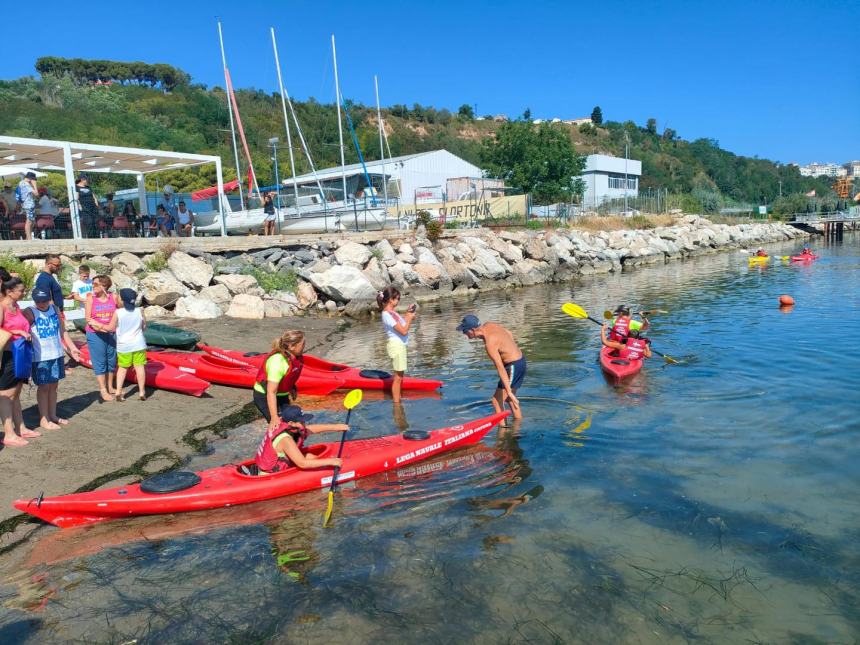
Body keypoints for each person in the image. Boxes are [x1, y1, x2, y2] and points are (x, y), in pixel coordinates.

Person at [22, 288, 80, 430]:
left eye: (44, 300)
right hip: (40, 356)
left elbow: (62, 331)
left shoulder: (54, 308)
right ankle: (44, 418)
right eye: (38, 301)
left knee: (54, 386)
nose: (41, 303)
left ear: (49, 299)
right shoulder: (30, 312)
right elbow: (22, 330)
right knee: (44, 387)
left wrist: (72, 347)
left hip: (56, 353)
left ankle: (52, 415)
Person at [456, 314, 524, 420]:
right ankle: (518, 426)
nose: (464, 334)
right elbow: (508, 333)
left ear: (472, 330)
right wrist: (511, 349)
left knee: (496, 401)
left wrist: (509, 391)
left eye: (465, 331)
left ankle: (503, 433)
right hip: (520, 361)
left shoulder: (489, 344)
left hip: (512, 366)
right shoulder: (490, 325)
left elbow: (500, 367)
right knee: (509, 399)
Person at [0, 276, 39, 446]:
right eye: (21, 291)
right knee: (5, 395)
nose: (24, 293)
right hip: (7, 355)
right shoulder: (1, 307)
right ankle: (9, 433)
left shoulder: (15, 305)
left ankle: (21, 428)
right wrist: (17, 331)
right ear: (9, 291)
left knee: (16, 393)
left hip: (20, 354)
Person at [254, 404, 347, 475]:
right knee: (310, 459)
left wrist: (336, 427)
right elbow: (302, 463)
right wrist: (332, 461)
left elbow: (311, 429)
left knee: (311, 456)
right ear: (291, 423)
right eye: (301, 421)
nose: (304, 422)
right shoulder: (286, 439)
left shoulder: (286, 425)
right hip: (271, 476)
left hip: (275, 464)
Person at [253, 330, 306, 435]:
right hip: (265, 396)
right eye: (302, 344)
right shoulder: (277, 362)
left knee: (291, 424)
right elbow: (271, 392)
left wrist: (291, 387)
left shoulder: (296, 357)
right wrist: (274, 417)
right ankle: (274, 446)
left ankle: (292, 446)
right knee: (279, 427)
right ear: (291, 346)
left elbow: (288, 375)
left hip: (281, 395)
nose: (304, 346)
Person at [376, 286, 417, 404]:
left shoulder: (392, 313)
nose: (398, 301)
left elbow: (402, 324)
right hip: (396, 346)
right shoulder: (386, 314)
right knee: (398, 378)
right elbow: (403, 331)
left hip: (400, 346)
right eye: (397, 298)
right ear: (390, 300)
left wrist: (408, 314)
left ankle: (398, 399)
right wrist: (409, 318)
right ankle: (396, 404)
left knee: (400, 377)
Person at [110, 288, 147, 401]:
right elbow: (144, 327)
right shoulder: (140, 310)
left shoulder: (118, 312)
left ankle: (118, 391)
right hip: (139, 344)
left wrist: (97, 325)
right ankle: (141, 392)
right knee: (139, 367)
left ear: (121, 299)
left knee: (122, 368)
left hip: (124, 345)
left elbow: (111, 328)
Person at [84, 275, 117, 402]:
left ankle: (110, 386)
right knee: (100, 362)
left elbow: (119, 312)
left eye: (95, 284)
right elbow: (88, 319)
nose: (92, 286)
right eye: (92, 284)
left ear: (104, 286)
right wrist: (101, 327)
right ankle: (103, 390)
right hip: (95, 334)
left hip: (111, 333)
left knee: (111, 360)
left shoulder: (113, 297)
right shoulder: (90, 299)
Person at [17, 171, 38, 240]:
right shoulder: (26, 184)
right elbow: (36, 194)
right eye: (33, 180)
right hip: (29, 204)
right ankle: (29, 238)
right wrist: (34, 185)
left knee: (32, 221)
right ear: (30, 179)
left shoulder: (21, 183)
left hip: (25, 204)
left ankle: (28, 237)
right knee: (29, 221)